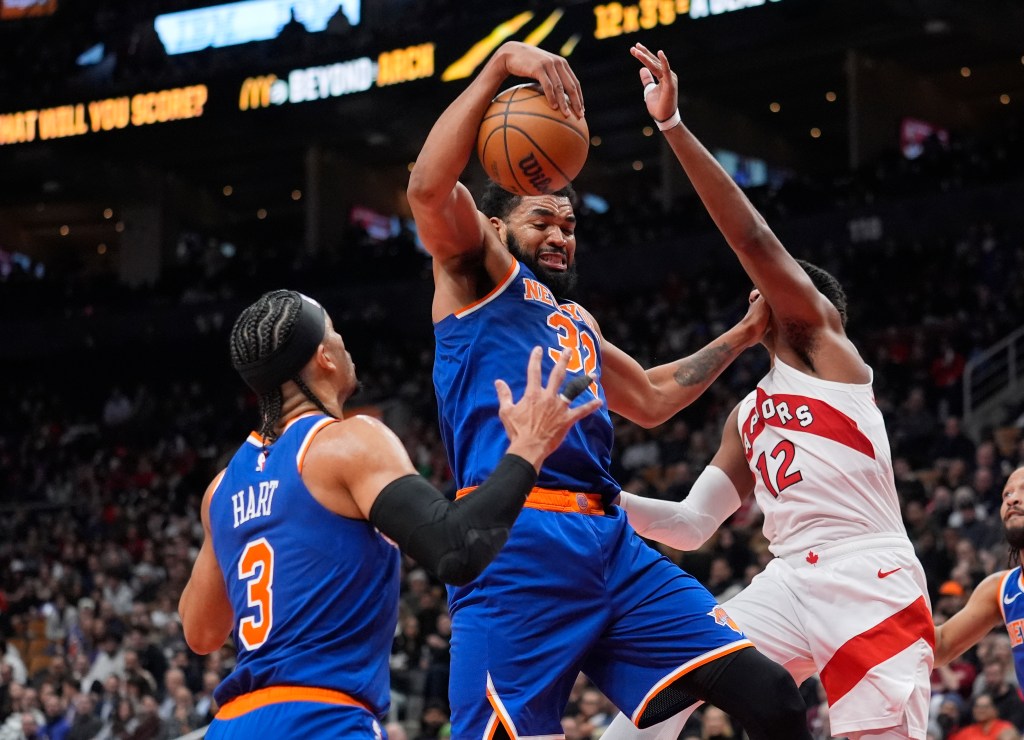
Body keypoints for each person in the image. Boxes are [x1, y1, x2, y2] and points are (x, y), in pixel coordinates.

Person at [407, 40, 810, 740]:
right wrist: (500, 67)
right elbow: (427, 189)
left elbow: (653, 397)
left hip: (609, 544)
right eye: (544, 219)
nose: (562, 234)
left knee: (769, 693)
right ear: (496, 226)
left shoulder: (576, 319)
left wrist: (743, 337)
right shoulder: (475, 277)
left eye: (570, 224)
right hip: (516, 543)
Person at [603, 44, 935, 740]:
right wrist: (595, 499)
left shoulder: (827, 350)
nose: (759, 291)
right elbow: (693, 525)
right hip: (786, 581)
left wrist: (673, 128)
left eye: (773, 288)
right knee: (659, 698)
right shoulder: (748, 413)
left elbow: (752, 237)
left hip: (866, 571)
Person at [178, 289, 600, 738]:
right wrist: (530, 446)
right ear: (324, 357)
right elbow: (458, 547)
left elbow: (201, 634)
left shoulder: (221, 489)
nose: (344, 344)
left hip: (233, 724)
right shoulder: (348, 442)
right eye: (336, 333)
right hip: (321, 720)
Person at [933, 468, 1024, 683]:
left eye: (1023, 490)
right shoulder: (1000, 588)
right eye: (1007, 494)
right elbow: (941, 647)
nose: (1012, 500)